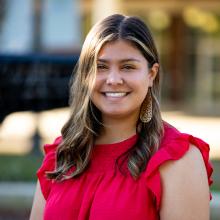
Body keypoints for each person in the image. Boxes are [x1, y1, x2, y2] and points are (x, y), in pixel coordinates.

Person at [30, 14, 213, 220]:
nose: (114, 79)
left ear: (151, 75)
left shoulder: (178, 159)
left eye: (128, 67)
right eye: (101, 67)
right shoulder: (61, 155)